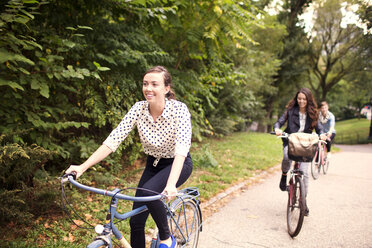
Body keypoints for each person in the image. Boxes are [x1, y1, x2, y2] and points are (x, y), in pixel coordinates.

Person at [65, 66, 193, 248]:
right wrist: (82, 167)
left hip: (178, 163)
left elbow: (181, 149)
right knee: (136, 222)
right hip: (153, 164)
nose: (148, 88)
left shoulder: (179, 110)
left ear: (166, 89)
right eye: (145, 84)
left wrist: (171, 184)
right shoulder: (139, 109)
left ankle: (166, 238)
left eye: (154, 84)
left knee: (150, 192)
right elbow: (113, 140)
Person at [273, 88, 326, 216]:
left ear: (308, 100)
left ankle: (303, 201)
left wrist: (323, 135)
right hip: (291, 141)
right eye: (299, 98)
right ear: (296, 99)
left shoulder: (313, 113)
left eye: (304, 99)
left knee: (305, 174)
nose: (301, 101)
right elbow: (279, 122)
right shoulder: (290, 111)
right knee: (286, 156)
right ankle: (284, 175)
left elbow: (319, 129)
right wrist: (277, 129)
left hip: (306, 144)